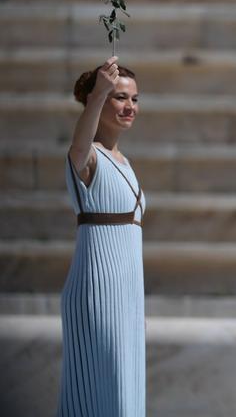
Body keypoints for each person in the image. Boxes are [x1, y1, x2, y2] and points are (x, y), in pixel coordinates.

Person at [58, 55, 147, 416]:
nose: (130, 106)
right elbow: (78, 148)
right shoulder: (88, 156)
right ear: (98, 100)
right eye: (120, 97)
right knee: (101, 394)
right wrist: (98, 93)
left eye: (134, 99)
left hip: (127, 294)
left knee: (125, 392)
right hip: (97, 290)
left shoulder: (124, 161)